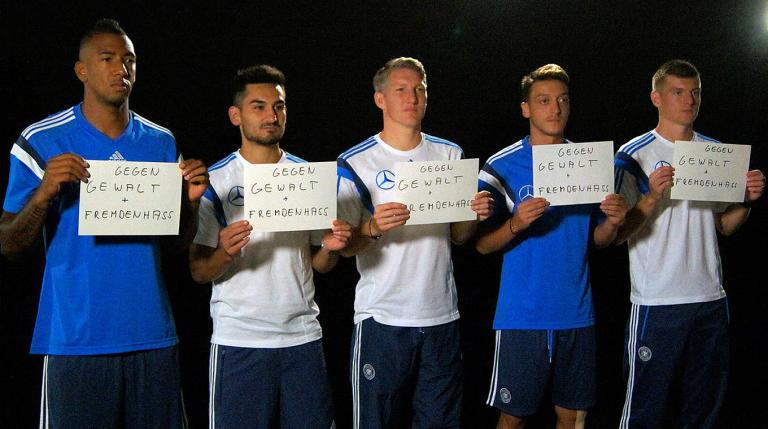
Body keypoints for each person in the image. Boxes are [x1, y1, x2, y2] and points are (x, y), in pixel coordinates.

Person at [0, 19, 207, 428]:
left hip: (151, 333)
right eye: (108, 59)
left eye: (129, 60)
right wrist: (43, 194)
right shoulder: (40, 140)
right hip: (76, 339)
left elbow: (176, 244)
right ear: (82, 70)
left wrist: (190, 204)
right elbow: (8, 243)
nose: (121, 69)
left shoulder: (161, 141)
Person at [188, 64, 350, 429]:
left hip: (302, 336)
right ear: (236, 115)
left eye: (279, 106)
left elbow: (319, 263)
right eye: (258, 106)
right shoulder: (215, 181)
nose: (271, 116)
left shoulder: (307, 177)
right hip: (239, 341)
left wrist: (331, 247)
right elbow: (198, 271)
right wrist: (225, 252)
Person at [336, 57, 494, 429]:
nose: (412, 97)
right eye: (401, 90)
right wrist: (373, 226)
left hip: (441, 314)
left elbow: (459, 236)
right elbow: (343, 246)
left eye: (420, 89)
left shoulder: (450, 155)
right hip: (382, 315)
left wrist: (473, 215)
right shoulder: (355, 161)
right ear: (380, 99)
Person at [614, 59, 766, 428]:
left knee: (704, 410)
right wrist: (651, 196)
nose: (689, 100)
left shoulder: (715, 152)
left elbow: (724, 226)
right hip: (657, 300)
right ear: (656, 98)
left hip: (709, 298)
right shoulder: (632, 155)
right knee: (644, 410)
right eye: (678, 92)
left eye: (695, 92)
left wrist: (747, 201)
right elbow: (617, 233)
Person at [476, 64, 628, 429]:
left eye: (562, 100)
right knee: (513, 418)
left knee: (573, 417)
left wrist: (614, 222)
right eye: (544, 100)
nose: (555, 108)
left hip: (576, 312)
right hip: (522, 315)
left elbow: (598, 240)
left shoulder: (589, 163)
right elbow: (481, 246)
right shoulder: (501, 165)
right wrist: (516, 223)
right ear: (526, 108)